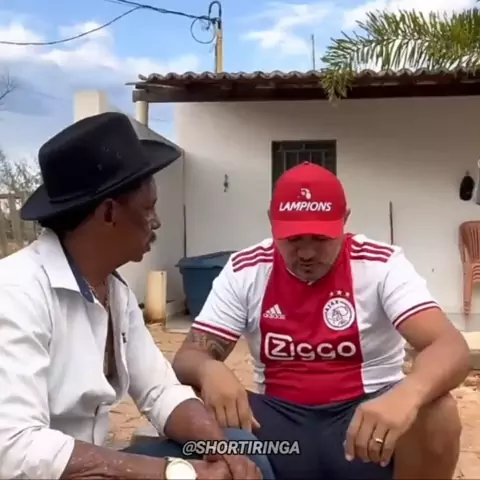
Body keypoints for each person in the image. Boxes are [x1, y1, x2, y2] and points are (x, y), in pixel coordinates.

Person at [0, 112, 273, 480]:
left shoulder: (115, 292)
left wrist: (220, 449)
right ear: (109, 213)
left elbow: (160, 390)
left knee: (241, 449)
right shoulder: (17, 292)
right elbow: (16, 448)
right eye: (148, 208)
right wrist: (176, 472)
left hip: (95, 463)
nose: (156, 221)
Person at [173, 162, 469, 480]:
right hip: (279, 431)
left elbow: (450, 346)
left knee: (438, 413)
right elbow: (189, 355)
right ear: (272, 222)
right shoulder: (247, 269)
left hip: (367, 430)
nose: (306, 253)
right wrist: (208, 369)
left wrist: (407, 394)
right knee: (191, 413)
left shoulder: (380, 265)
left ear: (345, 220)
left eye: (320, 238)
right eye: (293, 239)